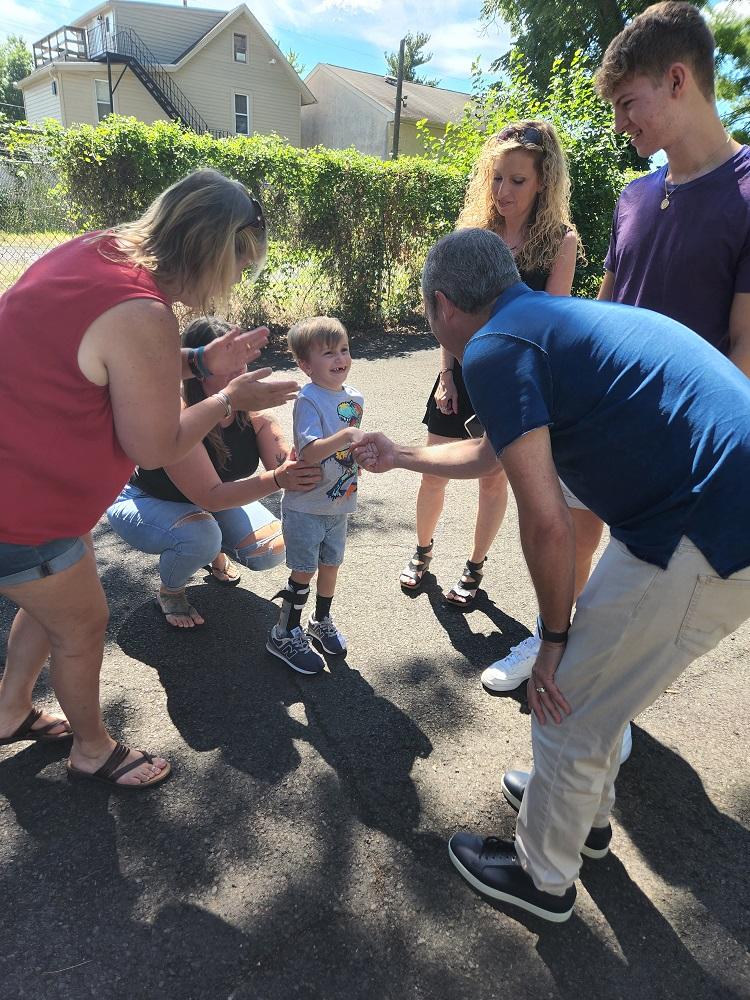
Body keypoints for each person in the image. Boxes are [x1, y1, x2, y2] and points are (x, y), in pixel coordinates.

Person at [354, 228, 750, 922]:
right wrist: (401, 454)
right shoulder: (541, 321)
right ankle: (583, 821)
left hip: (704, 527)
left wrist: (554, 638)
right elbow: (489, 456)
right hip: (694, 511)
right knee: (599, 688)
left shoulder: (493, 348)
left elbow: (546, 522)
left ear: (443, 304)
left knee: (567, 698)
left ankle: (542, 877)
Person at [0, 168, 299, 789]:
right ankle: (93, 750)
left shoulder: (99, 250)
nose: (237, 282)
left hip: (31, 486)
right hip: (25, 503)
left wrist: (196, 360)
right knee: (82, 627)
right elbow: (155, 443)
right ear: (216, 253)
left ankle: (9, 710)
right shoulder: (144, 311)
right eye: (240, 266)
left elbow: (104, 353)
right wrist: (231, 398)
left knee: (51, 604)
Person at [400, 121, 584, 616]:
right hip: (460, 372)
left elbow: (550, 326)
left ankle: (474, 567)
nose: (503, 191)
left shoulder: (560, 242)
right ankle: (422, 552)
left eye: (517, 180)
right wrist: (445, 375)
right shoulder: (473, 233)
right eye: (496, 178)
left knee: (492, 479)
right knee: (432, 470)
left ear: (543, 181)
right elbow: (445, 312)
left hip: (514, 382)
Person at [106, 317, 322, 628]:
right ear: (198, 370)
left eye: (242, 362)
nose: (240, 373)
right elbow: (213, 495)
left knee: (272, 548)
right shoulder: (178, 415)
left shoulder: (252, 410)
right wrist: (278, 480)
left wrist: (322, 451)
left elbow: (283, 462)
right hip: (146, 501)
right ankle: (171, 591)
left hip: (207, 502)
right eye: (228, 363)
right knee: (201, 537)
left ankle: (211, 548)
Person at [266, 317, 364, 675]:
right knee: (304, 569)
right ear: (306, 365)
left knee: (330, 564)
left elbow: (347, 448)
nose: (340, 358)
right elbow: (308, 451)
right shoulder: (308, 399)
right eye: (328, 353)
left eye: (344, 350)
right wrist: (349, 438)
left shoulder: (354, 398)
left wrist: (360, 455)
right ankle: (283, 630)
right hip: (307, 505)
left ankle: (320, 621)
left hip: (340, 502)